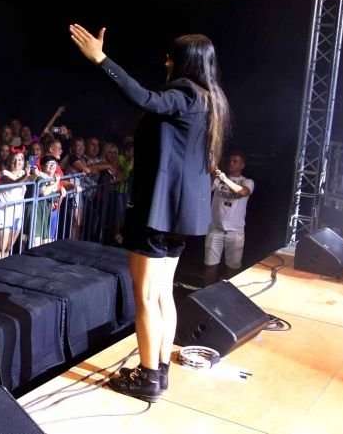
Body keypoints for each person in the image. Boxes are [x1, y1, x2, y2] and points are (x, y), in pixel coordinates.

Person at [70, 24, 230, 402]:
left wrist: (101, 60)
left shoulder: (184, 93)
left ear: (184, 62)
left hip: (156, 213)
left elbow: (143, 98)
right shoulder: (210, 100)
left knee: (144, 295)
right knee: (162, 294)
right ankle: (158, 371)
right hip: (179, 217)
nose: (166, 62)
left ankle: (147, 377)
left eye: (171, 57)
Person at [204, 151, 254, 285]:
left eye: (235, 161)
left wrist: (225, 179)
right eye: (230, 160)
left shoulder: (247, 181)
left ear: (242, 165)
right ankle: (208, 292)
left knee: (233, 267)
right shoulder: (218, 180)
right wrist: (213, 174)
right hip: (215, 229)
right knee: (210, 265)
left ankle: (230, 294)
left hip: (235, 232)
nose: (231, 163)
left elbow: (242, 192)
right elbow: (206, 189)